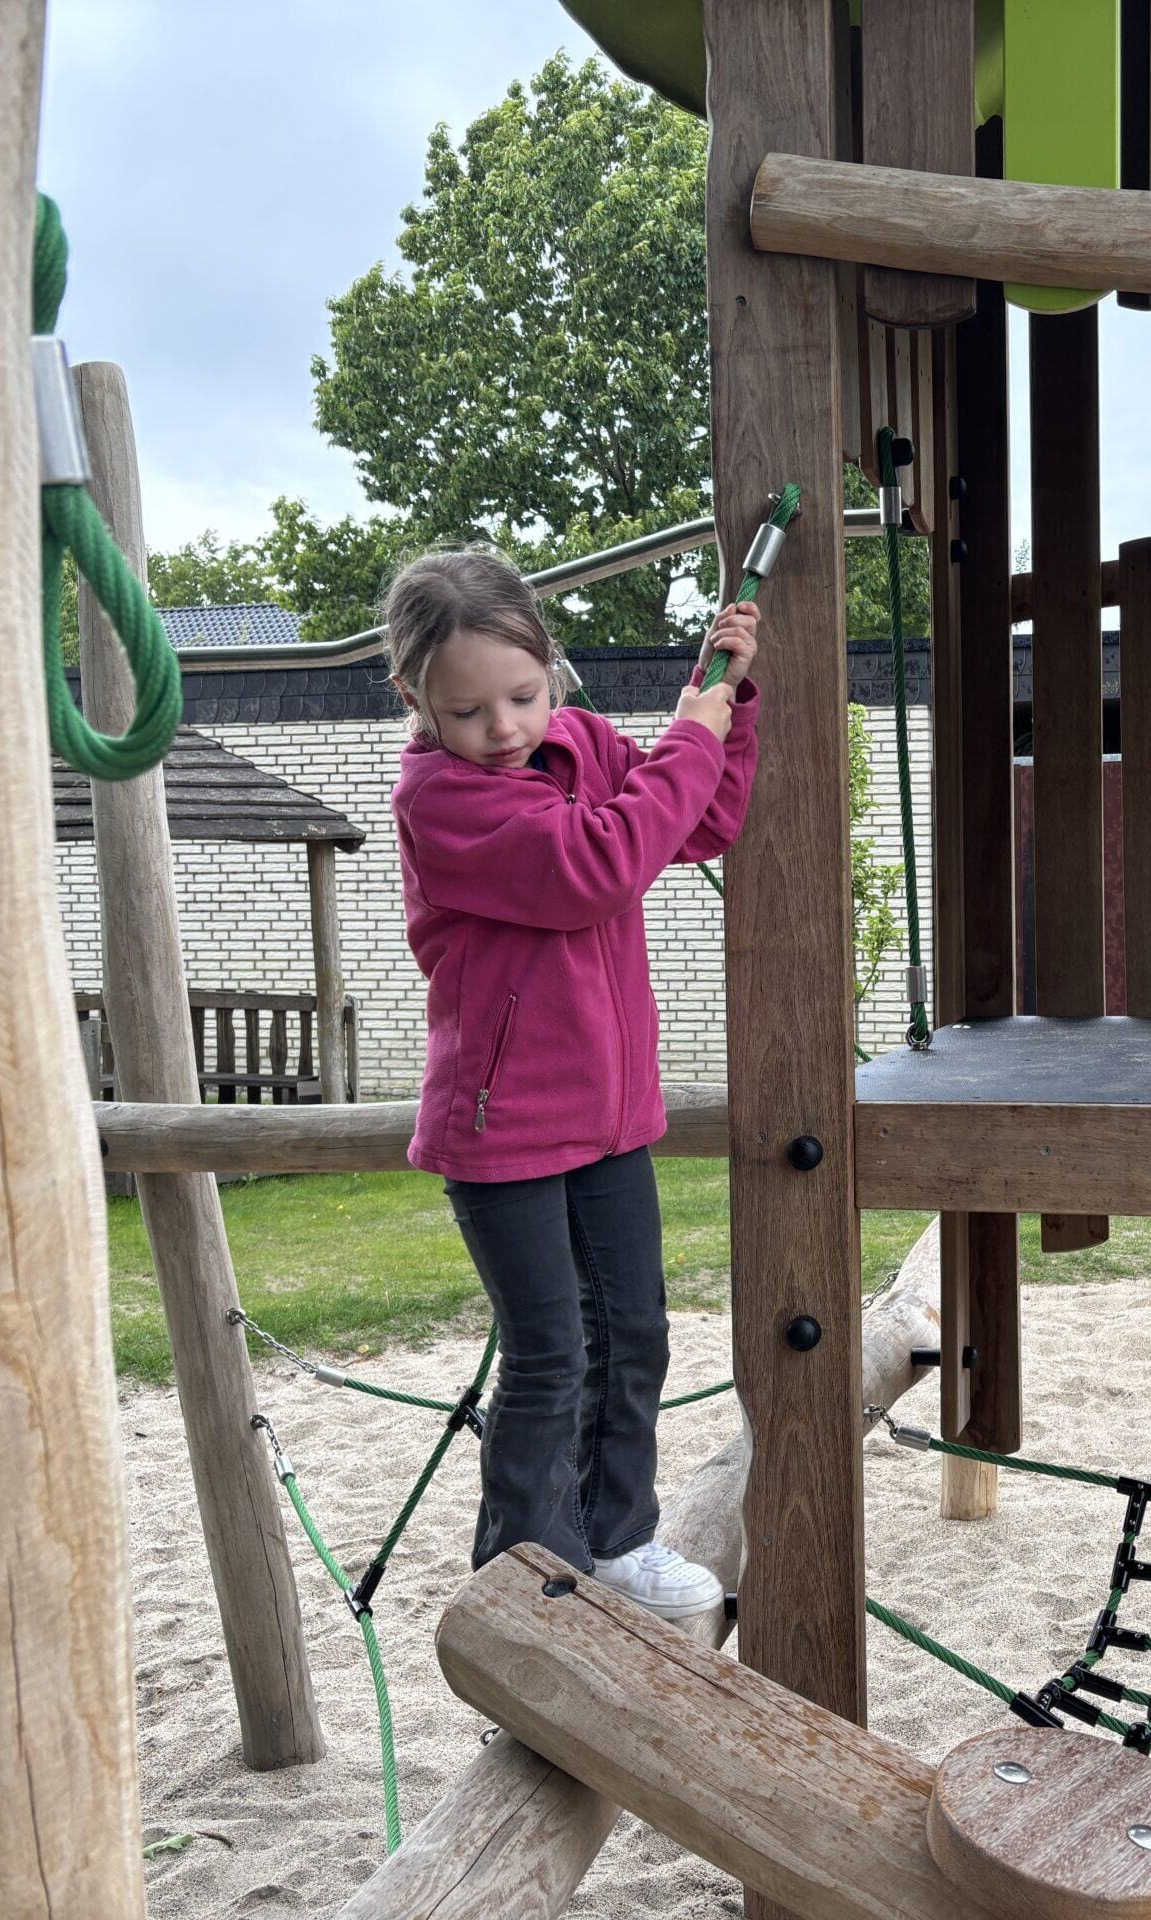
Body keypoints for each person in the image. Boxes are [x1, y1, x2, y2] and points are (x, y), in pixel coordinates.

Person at [384, 547, 759, 1617]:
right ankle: (529, 1583)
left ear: (552, 668)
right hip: (502, 1133)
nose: (503, 729)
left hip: (608, 1118)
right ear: (415, 700)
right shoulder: (444, 802)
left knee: (634, 1332)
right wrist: (694, 735)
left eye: (522, 695)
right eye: (468, 711)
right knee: (551, 1359)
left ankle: (616, 1540)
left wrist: (727, 704)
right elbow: (599, 862)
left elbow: (697, 821)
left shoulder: (582, 744)